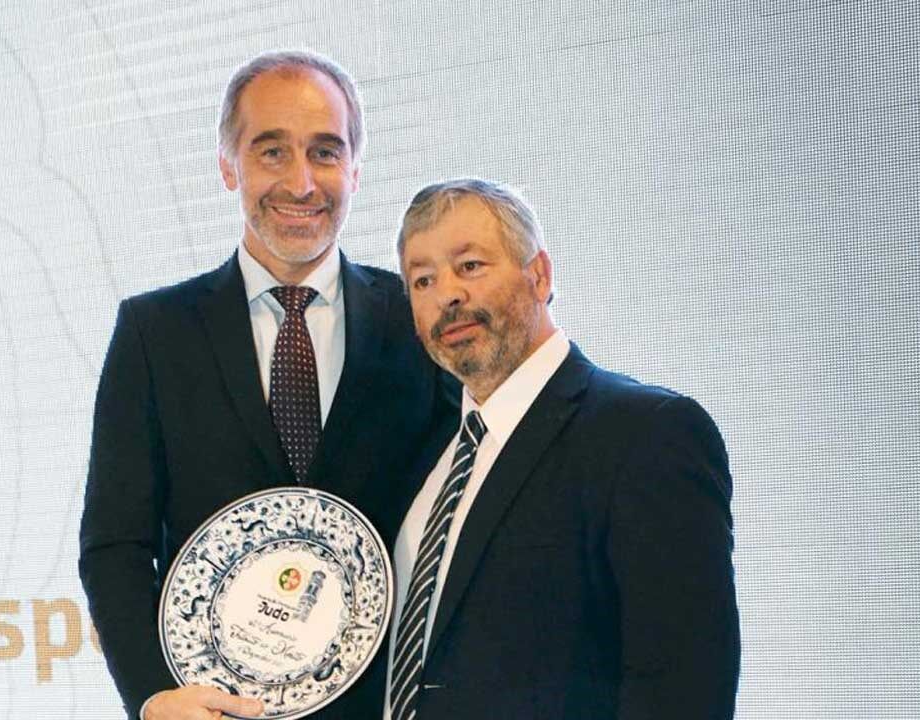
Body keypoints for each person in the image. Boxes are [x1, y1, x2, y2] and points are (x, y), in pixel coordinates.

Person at [78, 50, 450, 720]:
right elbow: (115, 544)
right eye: (272, 152)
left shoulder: (418, 321)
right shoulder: (153, 333)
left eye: (325, 152)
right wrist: (154, 697)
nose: (301, 183)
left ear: (355, 169)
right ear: (229, 166)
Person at [385, 178, 740, 719]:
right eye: (422, 280)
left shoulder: (647, 434)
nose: (447, 295)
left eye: (470, 266)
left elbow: (683, 689)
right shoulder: (427, 455)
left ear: (540, 275)